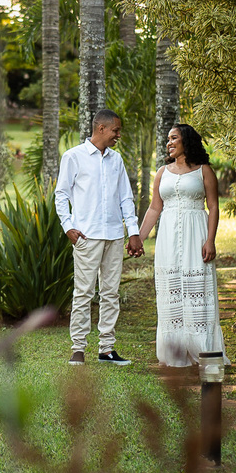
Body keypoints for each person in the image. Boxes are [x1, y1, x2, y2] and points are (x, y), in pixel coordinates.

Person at [55, 109, 144, 366]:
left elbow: (126, 197)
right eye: (116, 130)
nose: (119, 135)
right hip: (86, 235)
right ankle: (78, 349)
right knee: (83, 292)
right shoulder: (73, 157)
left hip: (114, 235)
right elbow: (61, 194)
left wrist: (134, 231)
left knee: (110, 293)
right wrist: (68, 226)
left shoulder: (116, 160)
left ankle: (107, 349)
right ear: (101, 128)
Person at [137, 123, 228, 368]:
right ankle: (175, 351)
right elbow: (155, 208)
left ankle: (204, 350)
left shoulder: (204, 171)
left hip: (196, 235)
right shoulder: (162, 173)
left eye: (173, 138)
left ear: (186, 141)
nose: (169, 143)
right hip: (167, 238)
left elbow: (214, 207)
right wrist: (139, 237)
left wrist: (210, 240)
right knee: (171, 289)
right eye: (168, 138)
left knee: (198, 289)